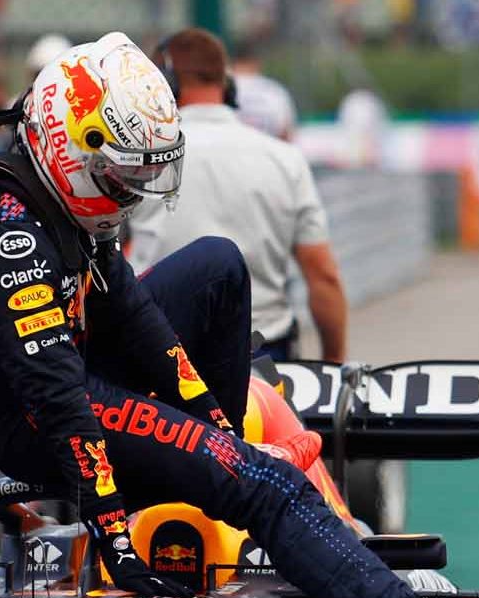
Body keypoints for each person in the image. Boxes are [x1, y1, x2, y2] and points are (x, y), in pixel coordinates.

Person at [0, 32, 432, 598]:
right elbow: (58, 398)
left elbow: (135, 310)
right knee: (271, 487)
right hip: (40, 419)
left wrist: (214, 427)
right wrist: (115, 536)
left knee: (218, 265)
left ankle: (224, 468)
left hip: (71, 381)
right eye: (119, 174)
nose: (131, 189)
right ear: (70, 149)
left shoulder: (63, 201)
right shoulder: (8, 238)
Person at [129, 29, 347, 364]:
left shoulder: (137, 158)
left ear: (163, 84)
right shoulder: (285, 159)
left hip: (158, 358)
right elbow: (323, 276)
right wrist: (332, 363)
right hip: (264, 358)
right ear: (227, 84)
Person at [229, 39, 296, 141]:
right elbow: (286, 134)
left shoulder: (221, 90)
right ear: (257, 62)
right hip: (268, 154)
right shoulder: (275, 91)